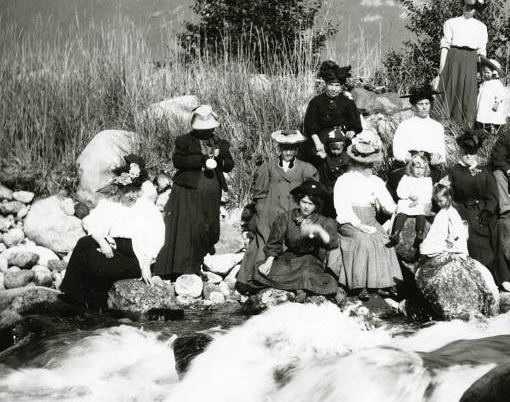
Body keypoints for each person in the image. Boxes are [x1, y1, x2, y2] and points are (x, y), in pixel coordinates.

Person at [61, 155, 165, 309]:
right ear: (120, 190)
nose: (131, 195)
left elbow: (156, 238)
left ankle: (93, 303)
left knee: (97, 266)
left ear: (139, 191)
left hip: (134, 260)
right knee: (85, 243)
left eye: (134, 191)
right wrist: (103, 242)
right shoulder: (110, 203)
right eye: (127, 191)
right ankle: (71, 297)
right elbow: (91, 222)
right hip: (113, 252)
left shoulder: (147, 208)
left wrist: (146, 267)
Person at [154, 104, 234, 278]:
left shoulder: (221, 143)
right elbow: (178, 161)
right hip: (188, 190)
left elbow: (229, 165)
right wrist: (201, 159)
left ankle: (202, 254)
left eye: (209, 128)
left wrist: (219, 159)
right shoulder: (184, 141)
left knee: (210, 226)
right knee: (190, 228)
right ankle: (186, 267)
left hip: (212, 192)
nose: (206, 131)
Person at [235, 129, 318, 293]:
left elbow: (313, 194)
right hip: (270, 213)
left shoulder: (305, 169)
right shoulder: (268, 167)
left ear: (297, 149)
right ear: (279, 148)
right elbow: (259, 193)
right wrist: (261, 213)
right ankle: (253, 279)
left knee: (291, 245)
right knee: (264, 242)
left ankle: (285, 281)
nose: (288, 152)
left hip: (293, 213)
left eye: (292, 148)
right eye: (284, 148)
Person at [333, 131, 403, 299]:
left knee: (383, 239)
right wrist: (357, 224)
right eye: (366, 164)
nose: (370, 167)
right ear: (356, 163)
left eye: (371, 163)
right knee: (363, 240)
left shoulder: (376, 181)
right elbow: (342, 208)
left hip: (370, 218)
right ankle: (360, 284)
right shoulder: (344, 180)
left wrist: (401, 208)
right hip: (349, 219)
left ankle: (381, 283)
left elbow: (388, 205)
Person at [445, 130, 510, 289]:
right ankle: (476, 275)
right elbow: (444, 191)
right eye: (465, 153)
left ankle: (493, 277)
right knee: (473, 233)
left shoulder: (485, 171)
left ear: (476, 154)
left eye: (471, 153)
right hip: (461, 209)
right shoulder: (453, 171)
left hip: (482, 209)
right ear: (460, 153)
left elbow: (492, 195)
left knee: (492, 232)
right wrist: (452, 207)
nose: (468, 156)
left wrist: (488, 211)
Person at [253, 179, 340, 302]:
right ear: (298, 200)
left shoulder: (323, 221)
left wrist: (319, 230)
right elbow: (274, 242)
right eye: (303, 202)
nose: (306, 206)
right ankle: (298, 288)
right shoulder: (285, 217)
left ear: (317, 205)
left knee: (308, 275)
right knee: (259, 270)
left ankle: (299, 290)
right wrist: (269, 262)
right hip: (289, 258)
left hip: (311, 260)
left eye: (311, 204)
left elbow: (332, 243)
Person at [436, 0, 488, 129]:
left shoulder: (481, 27)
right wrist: (442, 65)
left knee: (468, 91)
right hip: (453, 58)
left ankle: (464, 127)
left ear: (476, 9)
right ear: (462, 5)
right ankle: (445, 125)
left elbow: (481, 51)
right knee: (449, 88)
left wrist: (480, 70)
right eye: (467, 6)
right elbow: (445, 45)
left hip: (471, 60)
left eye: (472, 8)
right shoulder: (451, 23)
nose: (469, 10)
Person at [388, 83, 446, 196]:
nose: (424, 107)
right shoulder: (405, 125)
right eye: (420, 104)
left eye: (427, 103)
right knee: (403, 184)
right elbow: (398, 148)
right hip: (408, 163)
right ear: (414, 106)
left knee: (427, 187)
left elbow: (440, 150)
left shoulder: (437, 126)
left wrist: (437, 156)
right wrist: (408, 158)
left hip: (427, 165)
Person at [301, 60, 363, 164]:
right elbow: (310, 126)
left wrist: (352, 131)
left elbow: (355, 125)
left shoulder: (347, 102)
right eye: (331, 85)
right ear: (325, 84)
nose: (333, 89)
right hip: (321, 140)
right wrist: (317, 143)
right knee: (320, 164)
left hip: (341, 141)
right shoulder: (316, 101)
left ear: (342, 86)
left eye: (337, 85)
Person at [388, 152, 433, 249]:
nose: (419, 171)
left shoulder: (426, 180)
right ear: (411, 168)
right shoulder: (406, 179)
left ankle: (420, 233)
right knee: (402, 209)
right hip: (408, 200)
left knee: (421, 211)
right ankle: (396, 233)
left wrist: (418, 201)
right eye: (417, 168)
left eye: (421, 168)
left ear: (425, 169)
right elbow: (400, 191)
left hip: (421, 202)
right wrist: (409, 195)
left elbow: (428, 194)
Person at [419, 183, 469, 257]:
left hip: (450, 240)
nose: (438, 204)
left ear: (448, 198)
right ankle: (418, 262)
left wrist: (451, 238)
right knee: (427, 243)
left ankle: (419, 262)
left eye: (440, 201)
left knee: (431, 245)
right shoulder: (443, 211)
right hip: (441, 236)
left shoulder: (451, 212)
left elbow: (457, 227)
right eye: (436, 201)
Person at [315, 127, 352, 217]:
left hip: (338, 188)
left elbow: (344, 171)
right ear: (328, 146)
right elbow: (312, 153)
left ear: (343, 146)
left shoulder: (345, 158)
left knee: (336, 209)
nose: (336, 152)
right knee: (323, 209)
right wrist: (320, 154)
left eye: (339, 149)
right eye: (333, 149)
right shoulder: (324, 156)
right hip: (325, 187)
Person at [475, 58, 506, 131]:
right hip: (484, 106)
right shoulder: (484, 82)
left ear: (494, 72)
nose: (485, 74)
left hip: (491, 106)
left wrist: (497, 103)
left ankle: (493, 131)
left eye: (487, 72)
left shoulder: (497, 83)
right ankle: (483, 130)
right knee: (483, 118)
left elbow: (500, 94)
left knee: (491, 118)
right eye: (484, 72)